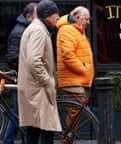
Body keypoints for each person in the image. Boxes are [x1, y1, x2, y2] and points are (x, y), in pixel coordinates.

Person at [17, 0, 62, 143]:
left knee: (34, 129)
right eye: (56, 14)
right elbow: (34, 60)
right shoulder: (39, 31)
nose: (58, 17)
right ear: (48, 16)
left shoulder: (35, 28)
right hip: (38, 89)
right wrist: (47, 81)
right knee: (47, 128)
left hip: (33, 89)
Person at [56, 6, 94, 144]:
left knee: (76, 111)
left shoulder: (78, 30)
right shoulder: (67, 30)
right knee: (75, 109)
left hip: (79, 79)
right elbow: (68, 56)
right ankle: (66, 140)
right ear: (77, 17)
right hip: (73, 79)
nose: (88, 22)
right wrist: (84, 69)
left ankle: (68, 139)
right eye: (86, 19)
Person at [4, 2, 37, 144]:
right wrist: (27, 69)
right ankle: (7, 141)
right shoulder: (20, 31)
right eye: (37, 15)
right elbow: (12, 58)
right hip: (21, 78)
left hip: (24, 77)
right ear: (28, 16)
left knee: (20, 111)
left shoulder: (25, 29)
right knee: (19, 111)